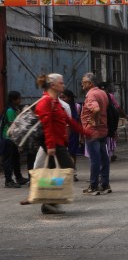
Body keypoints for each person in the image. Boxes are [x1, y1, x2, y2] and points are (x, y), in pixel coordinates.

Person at [34, 74, 87, 214]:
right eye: (61, 83)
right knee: (66, 169)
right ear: (53, 85)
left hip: (59, 143)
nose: (63, 86)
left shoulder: (56, 102)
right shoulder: (46, 102)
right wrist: (51, 146)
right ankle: (47, 198)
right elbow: (47, 126)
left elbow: (68, 121)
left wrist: (84, 132)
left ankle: (46, 199)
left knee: (55, 172)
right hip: (54, 144)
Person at [81, 72, 112, 196]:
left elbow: (96, 109)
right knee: (104, 157)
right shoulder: (102, 93)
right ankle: (105, 184)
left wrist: (92, 121)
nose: (82, 84)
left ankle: (93, 186)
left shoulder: (91, 95)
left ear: (90, 83)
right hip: (102, 130)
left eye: (84, 82)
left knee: (95, 159)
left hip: (93, 131)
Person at [1, 91, 29, 188]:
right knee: (8, 160)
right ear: (14, 99)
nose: (20, 100)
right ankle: (8, 181)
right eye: (19, 98)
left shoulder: (15, 109)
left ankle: (19, 177)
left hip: (13, 138)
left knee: (16, 158)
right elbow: (13, 125)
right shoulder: (10, 110)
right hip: (8, 138)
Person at [98, 81, 127, 162]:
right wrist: (124, 115)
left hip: (103, 120)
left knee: (106, 137)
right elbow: (117, 107)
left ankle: (107, 155)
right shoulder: (109, 96)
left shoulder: (98, 95)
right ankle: (111, 154)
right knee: (110, 136)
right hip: (108, 119)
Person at [60, 90, 82, 182]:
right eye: (61, 97)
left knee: (72, 153)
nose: (62, 99)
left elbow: (80, 122)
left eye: (64, 97)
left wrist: (82, 136)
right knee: (64, 154)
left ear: (70, 98)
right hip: (62, 133)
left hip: (73, 134)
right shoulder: (60, 106)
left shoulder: (77, 107)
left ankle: (72, 172)